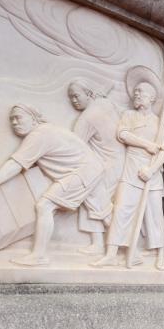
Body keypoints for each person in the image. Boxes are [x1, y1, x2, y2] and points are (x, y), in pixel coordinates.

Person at [0, 104, 112, 266]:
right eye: (11, 120)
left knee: (45, 205)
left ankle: (38, 255)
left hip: (82, 171)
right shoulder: (47, 130)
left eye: (18, 117)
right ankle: (111, 247)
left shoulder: (38, 135)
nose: (14, 123)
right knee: (102, 210)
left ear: (33, 118)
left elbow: (16, 164)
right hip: (92, 167)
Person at [93, 69, 164, 270]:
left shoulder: (157, 122)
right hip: (131, 170)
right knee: (122, 210)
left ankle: (159, 257)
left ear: (151, 98)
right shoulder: (128, 115)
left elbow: (163, 151)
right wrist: (146, 144)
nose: (136, 95)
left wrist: (151, 170)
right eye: (135, 92)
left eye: (141, 92)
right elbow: (123, 135)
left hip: (151, 175)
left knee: (154, 216)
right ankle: (111, 253)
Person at [68, 78, 123, 255]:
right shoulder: (106, 104)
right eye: (71, 98)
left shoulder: (86, 118)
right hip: (119, 161)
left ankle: (113, 241)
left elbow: (73, 145)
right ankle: (101, 243)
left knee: (95, 200)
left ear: (89, 93)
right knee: (99, 202)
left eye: (76, 96)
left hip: (106, 166)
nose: (73, 101)